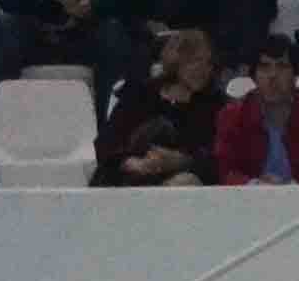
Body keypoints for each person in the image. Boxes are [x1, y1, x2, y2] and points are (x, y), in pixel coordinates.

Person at [94, 26, 227, 187]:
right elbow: (106, 142)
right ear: (176, 60)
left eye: (208, 63)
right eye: (195, 61)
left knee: (184, 183)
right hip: (129, 176)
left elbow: (219, 156)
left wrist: (182, 161)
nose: (203, 70)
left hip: (183, 179)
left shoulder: (215, 104)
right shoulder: (140, 94)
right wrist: (131, 162)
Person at [215, 35, 299, 185]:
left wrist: (294, 188)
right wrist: (255, 185)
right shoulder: (232, 116)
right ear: (254, 75)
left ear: (295, 75)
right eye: (264, 67)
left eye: (282, 66)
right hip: (250, 200)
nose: (273, 75)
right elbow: (225, 171)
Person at [0, 0, 140, 105]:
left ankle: (107, 129)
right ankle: (0, 122)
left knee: (113, 32)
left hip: (83, 34)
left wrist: (92, 6)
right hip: (35, 36)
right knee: (5, 28)